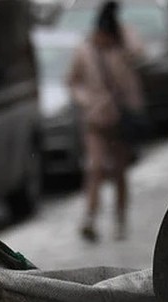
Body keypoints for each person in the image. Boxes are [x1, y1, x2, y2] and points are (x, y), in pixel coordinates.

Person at [66, 1, 146, 242]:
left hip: (120, 119)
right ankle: (89, 218)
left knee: (120, 172)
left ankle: (120, 220)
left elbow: (140, 52)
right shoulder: (85, 50)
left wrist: (122, 36)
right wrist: (87, 101)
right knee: (95, 168)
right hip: (95, 120)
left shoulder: (122, 45)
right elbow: (72, 81)